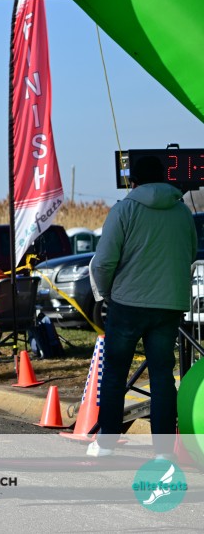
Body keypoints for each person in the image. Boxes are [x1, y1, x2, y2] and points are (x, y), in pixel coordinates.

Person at [87, 154, 197, 458]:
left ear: (132, 182)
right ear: (164, 178)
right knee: (162, 376)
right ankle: (163, 451)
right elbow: (189, 253)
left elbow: (103, 262)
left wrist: (107, 294)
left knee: (115, 373)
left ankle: (106, 443)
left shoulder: (123, 210)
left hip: (127, 304)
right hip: (169, 304)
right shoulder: (182, 212)